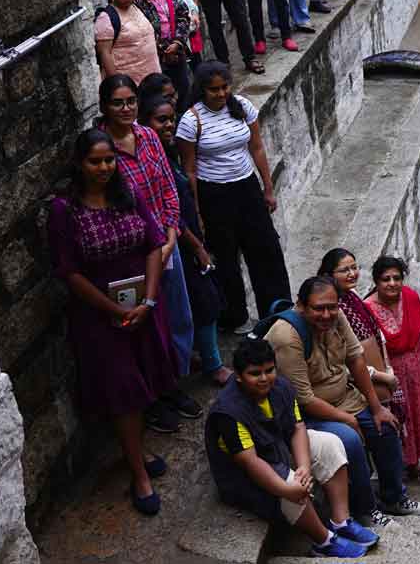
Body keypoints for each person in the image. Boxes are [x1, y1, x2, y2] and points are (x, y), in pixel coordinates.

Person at [47, 129, 178, 515]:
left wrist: (149, 300)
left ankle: (136, 448)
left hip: (142, 304)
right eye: (95, 161)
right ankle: (138, 474)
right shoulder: (64, 210)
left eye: (109, 160)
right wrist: (113, 310)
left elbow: (154, 244)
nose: (104, 168)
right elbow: (69, 272)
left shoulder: (127, 194)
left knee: (145, 379)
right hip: (99, 316)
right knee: (123, 389)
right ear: (79, 164)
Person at [265, 276, 420, 524]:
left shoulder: (337, 315)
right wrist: (346, 419)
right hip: (307, 414)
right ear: (301, 306)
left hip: (345, 397)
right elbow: (304, 399)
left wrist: (376, 407)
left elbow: (356, 359)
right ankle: (365, 509)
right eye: (318, 308)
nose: (326, 314)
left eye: (331, 307)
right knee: (350, 440)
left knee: (386, 425)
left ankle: (393, 497)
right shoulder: (287, 337)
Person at [204, 339, 377, 558]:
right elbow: (250, 462)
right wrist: (287, 489)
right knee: (288, 484)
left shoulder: (282, 387)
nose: (264, 378)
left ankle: (340, 521)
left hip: (277, 450)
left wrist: (304, 466)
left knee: (330, 444)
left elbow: (298, 427)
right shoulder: (228, 412)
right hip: (244, 477)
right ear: (238, 376)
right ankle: (323, 541)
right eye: (255, 373)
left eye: (269, 370)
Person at [95, 76, 197, 434]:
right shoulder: (103, 153)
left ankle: (174, 384)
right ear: (105, 107)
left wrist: (169, 236)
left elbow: (169, 189)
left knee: (179, 320)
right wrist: (153, 245)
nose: (126, 109)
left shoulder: (149, 138)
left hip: (166, 245)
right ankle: (153, 398)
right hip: (135, 255)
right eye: (118, 103)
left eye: (131, 101)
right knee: (146, 329)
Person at [175, 61, 291, 331]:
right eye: (213, 89)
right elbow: (189, 168)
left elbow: (257, 148)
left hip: (246, 187)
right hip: (213, 192)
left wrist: (268, 187)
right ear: (202, 90)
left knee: (265, 249)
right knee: (225, 255)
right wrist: (198, 211)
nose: (220, 94)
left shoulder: (241, 107)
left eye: (224, 87)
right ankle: (235, 316)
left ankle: (277, 310)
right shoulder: (191, 121)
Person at [138, 96, 231, 388]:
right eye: (161, 120)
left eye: (171, 118)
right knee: (204, 302)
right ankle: (212, 365)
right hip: (176, 241)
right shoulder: (152, 158)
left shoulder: (169, 152)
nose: (169, 125)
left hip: (187, 235)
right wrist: (196, 245)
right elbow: (168, 210)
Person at [318, 248, 408, 454]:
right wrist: (381, 376)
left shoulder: (352, 296)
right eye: (344, 270)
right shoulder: (332, 310)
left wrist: (387, 370)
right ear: (328, 275)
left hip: (380, 377)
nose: (352, 274)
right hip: (360, 387)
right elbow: (343, 360)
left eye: (354, 267)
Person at [362, 256, 420, 476]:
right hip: (390, 371)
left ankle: (413, 463)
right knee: (397, 416)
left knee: (417, 412)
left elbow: (418, 330)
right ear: (376, 282)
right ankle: (397, 466)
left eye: (396, 278)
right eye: (385, 279)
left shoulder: (410, 297)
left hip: (417, 367)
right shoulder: (367, 309)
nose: (392, 283)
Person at [95, 0, 160, 84]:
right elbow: (105, 54)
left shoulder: (137, 7)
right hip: (130, 84)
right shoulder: (106, 18)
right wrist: (118, 85)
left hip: (152, 78)